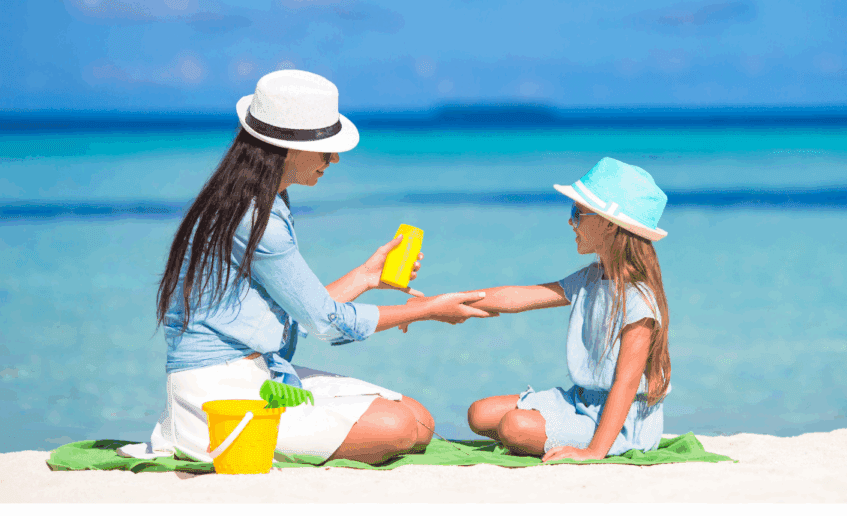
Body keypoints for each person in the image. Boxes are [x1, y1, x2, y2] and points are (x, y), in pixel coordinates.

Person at [145, 69, 492, 466]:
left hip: (263, 372)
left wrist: (366, 275)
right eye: (326, 147)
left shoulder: (261, 203)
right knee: (398, 427)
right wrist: (427, 310)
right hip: (218, 392)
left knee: (418, 419)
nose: (335, 158)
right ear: (288, 149)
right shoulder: (255, 217)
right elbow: (324, 322)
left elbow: (303, 310)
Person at [459, 157, 671, 461]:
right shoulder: (591, 278)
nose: (571, 221)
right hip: (580, 401)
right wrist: (446, 301)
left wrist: (594, 452)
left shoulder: (640, 301)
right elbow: (518, 297)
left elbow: (625, 385)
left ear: (610, 224)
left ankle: (576, 438)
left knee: (513, 427)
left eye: (577, 213)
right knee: (479, 414)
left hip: (623, 421)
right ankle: (553, 429)